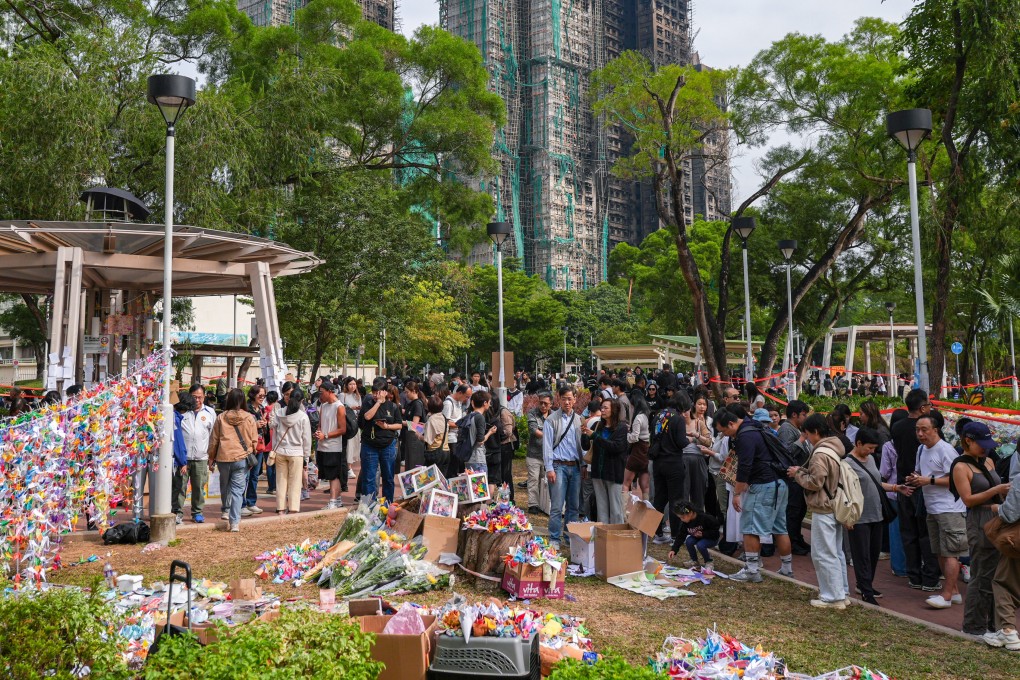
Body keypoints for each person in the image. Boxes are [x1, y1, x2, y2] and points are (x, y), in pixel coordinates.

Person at [716, 407, 793, 583]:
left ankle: (751, 570)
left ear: (731, 423)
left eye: (724, 431)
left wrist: (737, 493)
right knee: (780, 527)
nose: (726, 435)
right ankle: (787, 569)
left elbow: (745, 467)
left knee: (749, 527)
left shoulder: (745, 436)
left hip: (763, 485)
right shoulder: (756, 426)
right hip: (780, 483)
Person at [952, 421, 1010, 637]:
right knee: (982, 575)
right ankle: (973, 626)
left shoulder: (988, 461)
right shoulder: (960, 466)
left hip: (998, 518)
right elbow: (967, 500)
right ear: (968, 440)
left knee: (998, 575)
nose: (986, 448)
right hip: (980, 521)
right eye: (982, 443)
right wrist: (996, 489)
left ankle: (995, 625)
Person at [907, 414, 967, 609]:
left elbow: (956, 479)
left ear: (936, 429)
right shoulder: (920, 450)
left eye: (924, 429)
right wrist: (915, 478)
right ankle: (954, 592)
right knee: (940, 551)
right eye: (917, 429)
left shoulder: (946, 450)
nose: (920, 433)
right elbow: (921, 473)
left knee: (950, 552)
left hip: (950, 508)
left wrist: (928, 480)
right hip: (931, 507)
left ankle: (947, 595)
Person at [788, 413, 847, 607]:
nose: (807, 438)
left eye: (807, 433)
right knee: (835, 552)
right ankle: (841, 592)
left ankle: (832, 596)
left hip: (823, 507)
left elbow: (815, 482)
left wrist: (798, 475)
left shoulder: (820, 453)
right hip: (834, 505)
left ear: (814, 432)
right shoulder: (834, 448)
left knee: (823, 553)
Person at [847, 427, 909, 605]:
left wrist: (896, 487)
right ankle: (866, 591)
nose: (872, 451)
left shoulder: (871, 459)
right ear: (858, 443)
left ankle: (865, 584)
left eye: (874, 448)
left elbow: (877, 481)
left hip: (877, 514)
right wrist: (847, 518)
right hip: (859, 516)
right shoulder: (847, 463)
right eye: (869, 447)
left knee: (873, 553)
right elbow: (843, 491)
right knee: (862, 555)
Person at [890, 389, 942, 592]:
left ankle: (914, 575)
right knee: (926, 532)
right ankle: (930, 577)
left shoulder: (897, 427)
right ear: (922, 408)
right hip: (923, 484)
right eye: (928, 405)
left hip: (905, 484)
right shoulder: (930, 429)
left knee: (909, 532)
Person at [207, 388, 258, 532]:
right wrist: (251, 452)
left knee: (224, 485)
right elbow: (254, 440)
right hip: (241, 458)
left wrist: (211, 457)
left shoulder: (221, 417)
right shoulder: (249, 418)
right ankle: (234, 522)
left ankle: (225, 510)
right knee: (237, 490)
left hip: (223, 457)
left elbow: (214, 440)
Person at [543, 386, 584, 549]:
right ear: (559, 399)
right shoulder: (551, 420)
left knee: (573, 506)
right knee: (557, 506)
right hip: (558, 466)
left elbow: (582, 446)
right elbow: (546, 446)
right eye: (564, 398)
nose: (567, 402)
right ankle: (554, 538)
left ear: (575, 399)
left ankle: (569, 537)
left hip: (575, 467)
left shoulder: (579, 419)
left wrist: (584, 466)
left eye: (570, 398)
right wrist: (549, 468)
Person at [650, 393, 693, 545]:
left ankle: (657, 533)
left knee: (660, 499)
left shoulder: (659, 415)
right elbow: (681, 442)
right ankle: (676, 534)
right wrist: (690, 439)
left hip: (658, 463)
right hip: (673, 463)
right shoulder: (678, 418)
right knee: (677, 499)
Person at [985, 466, 1020, 650]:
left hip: (1016, 542)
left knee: (1002, 583)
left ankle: (1008, 631)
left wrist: (997, 507)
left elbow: (1011, 512)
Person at [581, 398, 628, 524]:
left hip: (613, 473)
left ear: (614, 410)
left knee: (615, 509)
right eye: (602, 407)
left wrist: (594, 436)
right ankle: (603, 537)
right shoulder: (598, 425)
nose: (602, 410)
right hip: (598, 472)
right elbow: (586, 446)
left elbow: (616, 447)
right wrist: (585, 434)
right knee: (601, 509)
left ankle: (616, 537)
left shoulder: (621, 428)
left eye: (606, 407)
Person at [175, 384, 217, 523]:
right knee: (180, 486)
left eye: (200, 397)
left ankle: (197, 512)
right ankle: (177, 512)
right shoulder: (183, 411)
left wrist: (212, 457)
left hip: (201, 457)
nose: (197, 400)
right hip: (183, 459)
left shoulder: (210, 413)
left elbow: (213, 436)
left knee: (198, 487)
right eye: (194, 397)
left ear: (204, 397)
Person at [777, 400, 812, 556]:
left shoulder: (796, 429)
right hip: (792, 478)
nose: (805, 418)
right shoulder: (786, 429)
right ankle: (792, 542)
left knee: (799, 511)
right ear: (794, 414)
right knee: (793, 511)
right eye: (803, 415)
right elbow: (785, 452)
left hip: (800, 477)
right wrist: (801, 440)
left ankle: (797, 538)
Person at [359, 377, 403, 502]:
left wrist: (386, 426)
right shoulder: (368, 403)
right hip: (369, 445)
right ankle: (369, 506)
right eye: (373, 392)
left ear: (384, 392)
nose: (375, 395)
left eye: (378, 392)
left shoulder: (393, 406)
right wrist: (378, 403)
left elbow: (399, 424)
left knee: (388, 477)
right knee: (369, 478)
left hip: (388, 445)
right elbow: (367, 417)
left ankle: (387, 504)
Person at [272, 387, 312, 514]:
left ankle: (280, 508)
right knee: (295, 482)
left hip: (281, 451)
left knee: (281, 481)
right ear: (302, 401)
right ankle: (294, 508)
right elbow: (306, 440)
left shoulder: (280, 413)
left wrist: (274, 449)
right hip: (296, 452)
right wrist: (306, 458)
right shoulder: (303, 417)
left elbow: (274, 433)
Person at [315, 381, 347, 509]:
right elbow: (320, 424)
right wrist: (318, 432)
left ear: (330, 391)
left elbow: (342, 429)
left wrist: (326, 435)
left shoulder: (339, 407)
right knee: (329, 475)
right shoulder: (323, 406)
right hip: (322, 445)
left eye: (322, 392)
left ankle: (333, 501)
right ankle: (337, 500)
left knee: (333, 475)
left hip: (334, 446)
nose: (320, 395)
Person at [239, 385, 269, 517]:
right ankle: (242, 504)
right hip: (248, 446)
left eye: (264, 396)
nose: (262, 398)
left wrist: (264, 424)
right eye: (260, 395)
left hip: (259, 446)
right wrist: (255, 425)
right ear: (253, 395)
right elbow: (242, 427)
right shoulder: (246, 409)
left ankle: (251, 502)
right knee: (245, 476)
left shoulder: (261, 409)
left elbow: (263, 428)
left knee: (254, 476)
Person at [668, 502, 721, 574]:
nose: (681, 519)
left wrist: (704, 534)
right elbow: (681, 536)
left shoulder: (705, 518)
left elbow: (716, 530)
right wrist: (674, 550)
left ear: (690, 513)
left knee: (700, 545)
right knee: (689, 541)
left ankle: (709, 561)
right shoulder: (685, 523)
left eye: (682, 517)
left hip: (711, 538)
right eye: (680, 517)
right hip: (698, 538)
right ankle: (694, 561)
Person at [526, 392, 553, 514]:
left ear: (551, 404)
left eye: (546, 404)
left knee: (545, 481)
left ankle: (544, 504)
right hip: (534, 454)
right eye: (541, 403)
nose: (543, 406)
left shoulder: (555, 416)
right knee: (533, 480)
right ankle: (533, 504)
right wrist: (550, 437)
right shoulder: (532, 413)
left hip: (549, 456)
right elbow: (533, 429)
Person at [169, 392, 193, 525]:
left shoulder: (168, 416)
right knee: (177, 488)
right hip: (174, 461)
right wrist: (183, 461)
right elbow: (178, 443)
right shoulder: (176, 419)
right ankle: (175, 513)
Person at [625, 390, 651, 500]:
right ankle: (645, 510)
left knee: (625, 483)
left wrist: (626, 435)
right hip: (646, 451)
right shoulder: (647, 414)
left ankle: (623, 513)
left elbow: (634, 437)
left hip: (637, 452)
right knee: (645, 486)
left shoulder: (638, 418)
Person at [442, 384, 471, 478]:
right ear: (459, 393)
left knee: (457, 463)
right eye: (466, 396)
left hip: (458, 436)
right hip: (451, 438)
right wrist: (460, 425)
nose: (467, 399)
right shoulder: (448, 403)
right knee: (453, 463)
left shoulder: (458, 401)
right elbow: (445, 422)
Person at [340, 377, 362, 482]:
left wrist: (358, 409)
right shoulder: (342, 395)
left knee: (354, 445)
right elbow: (340, 408)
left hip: (355, 423)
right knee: (348, 445)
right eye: (350, 384)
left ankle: (350, 465)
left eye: (354, 384)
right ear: (346, 385)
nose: (353, 386)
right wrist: (350, 408)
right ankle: (348, 467)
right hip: (347, 423)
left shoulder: (357, 396)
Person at [421, 395, 450, 472]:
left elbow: (427, 439)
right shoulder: (443, 417)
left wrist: (418, 434)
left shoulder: (431, 419)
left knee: (430, 477)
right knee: (442, 477)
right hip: (446, 451)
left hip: (435, 452)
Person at [402, 380, 427, 471]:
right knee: (409, 464)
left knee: (413, 465)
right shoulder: (412, 403)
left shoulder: (417, 404)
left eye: (407, 392)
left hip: (415, 438)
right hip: (410, 438)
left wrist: (401, 422)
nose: (406, 394)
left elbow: (414, 425)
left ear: (413, 391)